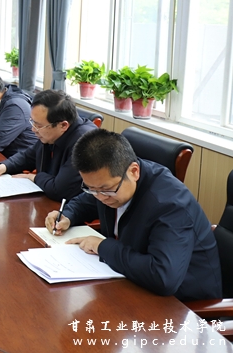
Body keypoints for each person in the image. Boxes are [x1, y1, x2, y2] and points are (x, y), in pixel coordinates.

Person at [45, 129, 222, 302]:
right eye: (91, 188)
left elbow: (163, 277)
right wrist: (67, 215)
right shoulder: (110, 183)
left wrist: (103, 247)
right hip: (129, 281)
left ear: (134, 171)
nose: (100, 197)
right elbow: (86, 201)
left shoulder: (171, 206)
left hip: (182, 303)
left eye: (106, 190)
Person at [0, 90, 96, 201]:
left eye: (38, 125)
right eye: (32, 122)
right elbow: (29, 156)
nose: (33, 129)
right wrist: (4, 166)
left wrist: (34, 177)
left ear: (63, 125)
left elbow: (59, 190)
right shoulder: (51, 134)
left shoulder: (85, 143)